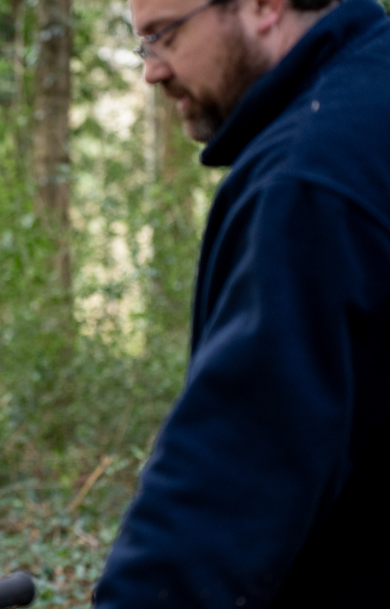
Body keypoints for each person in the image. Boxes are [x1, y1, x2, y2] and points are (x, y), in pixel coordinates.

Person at [93, 0, 390, 607]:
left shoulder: (308, 181)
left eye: (164, 36)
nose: (151, 70)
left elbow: (232, 476)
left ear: (262, 6)